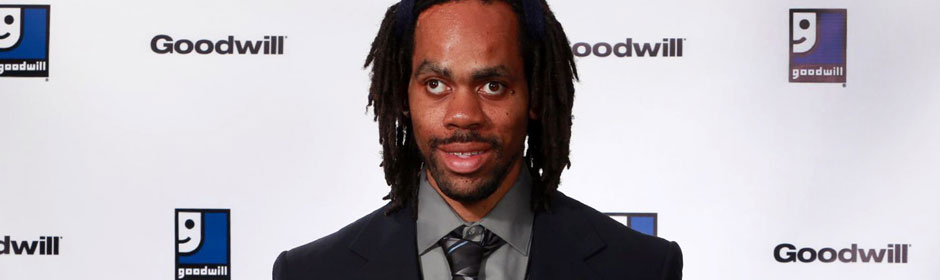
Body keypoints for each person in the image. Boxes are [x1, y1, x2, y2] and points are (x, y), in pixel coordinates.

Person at [273, 0, 683, 279]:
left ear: (535, 94)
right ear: (403, 97)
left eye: (492, 85)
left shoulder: (642, 267)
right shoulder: (311, 272)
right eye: (435, 84)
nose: (463, 115)